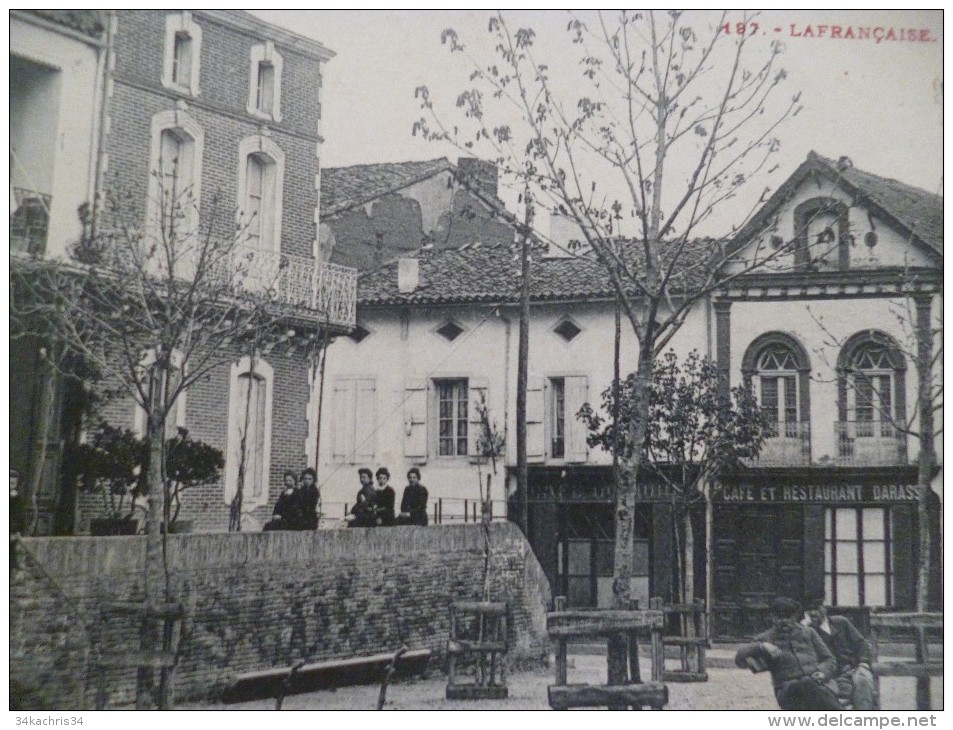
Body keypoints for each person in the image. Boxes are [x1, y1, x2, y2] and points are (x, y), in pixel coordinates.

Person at [735, 597, 842, 711]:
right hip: (788, 691)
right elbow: (739, 659)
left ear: (795, 616)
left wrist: (822, 672)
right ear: (772, 617)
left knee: (811, 687)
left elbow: (829, 659)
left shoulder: (808, 632)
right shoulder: (767, 637)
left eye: (788, 617)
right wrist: (761, 646)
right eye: (779, 617)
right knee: (807, 685)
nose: (784, 621)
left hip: (817, 684)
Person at [803, 595, 876, 709]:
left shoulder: (841, 622)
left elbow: (862, 644)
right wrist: (804, 628)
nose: (813, 613)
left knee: (863, 680)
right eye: (809, 610)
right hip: (830, 675)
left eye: (816, 608)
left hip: (853, 669)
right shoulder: (809, 632)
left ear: (824, 608)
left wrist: (863, 663)